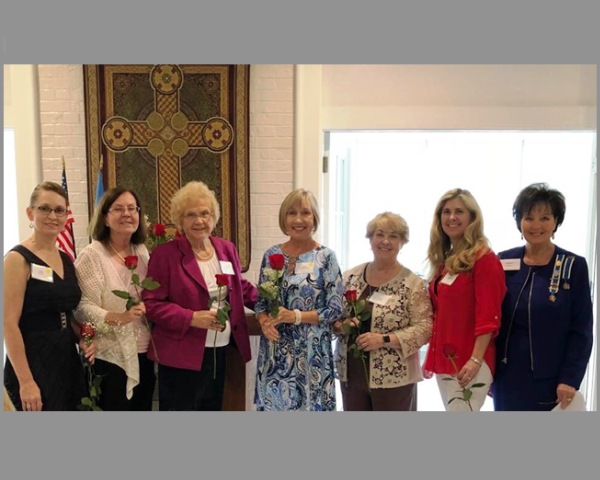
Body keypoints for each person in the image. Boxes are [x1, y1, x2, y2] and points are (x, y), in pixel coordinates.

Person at [143, 181, 257, 411]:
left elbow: (239, 287)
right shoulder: (165, 255)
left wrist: (271, 306)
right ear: (180, 221)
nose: (199, 221)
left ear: (213, 217)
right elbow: (152, 304)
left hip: (221, 349)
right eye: (191, 215)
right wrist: (192, 317)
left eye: (205, 213)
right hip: (180, 356)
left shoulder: (226, 249)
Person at [493, 183, 593, 411]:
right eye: (529, 218)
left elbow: (582, 330)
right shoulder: (503, 261)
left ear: (556, 221)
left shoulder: (573, 265)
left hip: (552, 380)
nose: (536, 225)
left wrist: (570, 378)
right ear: (519, 222)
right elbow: (492, 319)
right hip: (507, 377)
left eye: (545, 218)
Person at [4, 181, 95, 411]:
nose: (52, 215)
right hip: (33, 360)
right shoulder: (17, 259)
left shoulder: (65, 259)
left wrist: (81, 338)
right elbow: (8, 324)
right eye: (44, 208)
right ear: (30, 212)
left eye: (59, 210)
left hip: (65, 358)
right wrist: (26, 381)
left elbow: (64, 312)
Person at [255, 188, 344, 411]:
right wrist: (264, 322)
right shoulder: (271, 255)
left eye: (305, 213)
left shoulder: (326, 257)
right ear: (284, 218)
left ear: (314, 218)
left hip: (313, 353)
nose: (298, 219)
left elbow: (335, 308)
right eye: (291, 213)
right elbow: (260, 303)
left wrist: (295, 316)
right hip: (276, 354)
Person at [333, 212, 433, 411]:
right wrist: (341, 326)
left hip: (394, 377)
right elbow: (333, 317)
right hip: (352, 374)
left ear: (402, 242)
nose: (385, 241)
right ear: (370, 239)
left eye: (394, 236)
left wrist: (384, 339)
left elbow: (424, 328)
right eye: (379, 234)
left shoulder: (413, 284)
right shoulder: (348, 277)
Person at [423, 188, 506, 411]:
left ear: (472, 217)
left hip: (471, 360)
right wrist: (430, 356)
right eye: (446, 211)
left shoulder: (484, 259)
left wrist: (475, 360)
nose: (452, 217)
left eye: (459, 211)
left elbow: (489, 317)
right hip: (446, 358)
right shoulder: (446, 260)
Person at [74, 187, 155, 411]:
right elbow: (82, 307)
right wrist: (118, 318)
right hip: (110, 356)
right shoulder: (92, 255)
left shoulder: (142, 252)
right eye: (118, 209)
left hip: (145, 353)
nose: (127, 213)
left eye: (132, 208)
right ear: (105, 218)